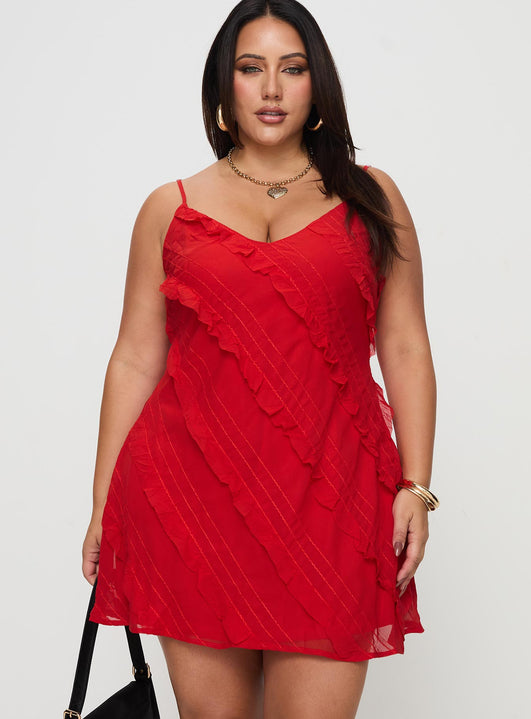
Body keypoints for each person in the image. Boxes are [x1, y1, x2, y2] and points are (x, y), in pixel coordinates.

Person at [82, 0, 438, 716]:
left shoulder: (370, 198)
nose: (271, 89)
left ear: (318, 85)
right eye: (251, 68)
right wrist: (101, 506)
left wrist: (417, 486)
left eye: (292, 68)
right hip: (192, 501)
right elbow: (135, 359)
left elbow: (404, 343)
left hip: (333, 502)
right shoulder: (170, 208)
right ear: (224, 86)